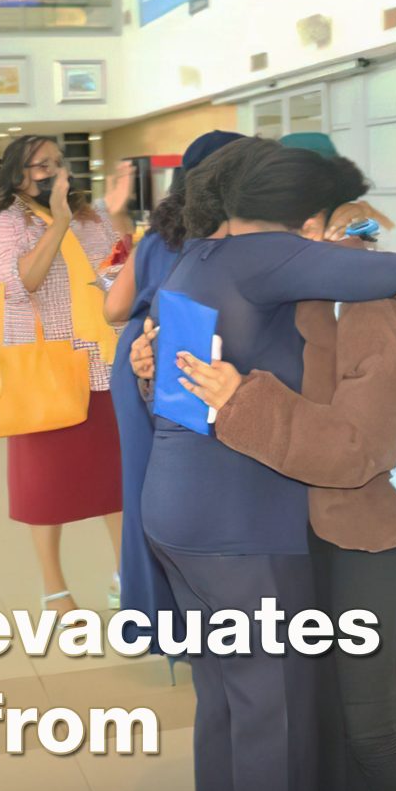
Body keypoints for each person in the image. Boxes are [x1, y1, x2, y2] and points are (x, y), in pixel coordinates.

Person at [137, 138, 396, 791]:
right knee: (277, 720)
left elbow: (175, 392)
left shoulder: (196, 257)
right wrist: (358, 237)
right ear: (305, 218)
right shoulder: (271, 255)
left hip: (175, 510)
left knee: (225, 706)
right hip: (243, 527)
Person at [0, 135, 136, 613]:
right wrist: (59, 221)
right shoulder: (5, 226)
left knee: (117, 479)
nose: (54, 171)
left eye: (57, 162)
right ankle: (54, 590)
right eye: (41, 165)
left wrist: (117, 219)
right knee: (45, 486)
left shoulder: (92, 219)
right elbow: (18, 282)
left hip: (102, 367)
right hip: (41, 374)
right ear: (17, 175)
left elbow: (116, 277)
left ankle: (126, 575)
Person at [103, 129, 244, 646]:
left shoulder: (158, 237)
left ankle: (156, 621)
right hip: (191, 362)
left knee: (146, 490)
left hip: (139, 360)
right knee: (197, 493)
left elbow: (114, 309)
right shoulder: (233, 237)